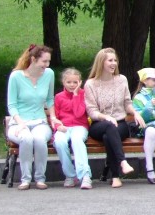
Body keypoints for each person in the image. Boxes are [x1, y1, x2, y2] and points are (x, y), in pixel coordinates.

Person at [84, 47, 145, 188]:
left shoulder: (121, 80)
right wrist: (105, 117)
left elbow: (127, 103)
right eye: (110, 60)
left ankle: (116, 176)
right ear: (101, 63)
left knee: (108, 137)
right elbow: (91, 111)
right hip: (99, 124)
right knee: (108, 127)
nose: (114, 63)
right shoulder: (90, 84)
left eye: (115, 60)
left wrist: (135, 113)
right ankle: (122, 163)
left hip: (120, 124)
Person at [6, 44, 61, 190]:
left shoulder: (49, 74)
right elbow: (12, 105)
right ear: (33, 59)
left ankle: (40, 178)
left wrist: (53, 117)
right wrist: (20, 123)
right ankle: (25, 179)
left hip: (40, 121)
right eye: (44, 61)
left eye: (48, 61)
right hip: (18, 123)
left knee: (38, 139)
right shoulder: (16, 76)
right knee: (26, 138)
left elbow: (49, 99)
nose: (47, 65)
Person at [53, 67, 92, 190]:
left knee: (76, 140)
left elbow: (79, 113)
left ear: (80, 82)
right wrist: (58, 126)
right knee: (59, 141)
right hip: (64, 127)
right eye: (69, 82)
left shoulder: (83, 94)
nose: (72, 85)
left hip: (80, 126)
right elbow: (55, 116)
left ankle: (85, 175)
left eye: (75, 82)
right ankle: (70, 175)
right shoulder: (59, 97)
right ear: (63, 82)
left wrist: (75, 95)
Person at [132, 67, 155, 185]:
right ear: (144, 81)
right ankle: (150, 168)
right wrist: (149, 106)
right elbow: (141, 118)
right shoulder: (138, 97)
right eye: (153, 80)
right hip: (146, 125)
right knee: (150, 132)